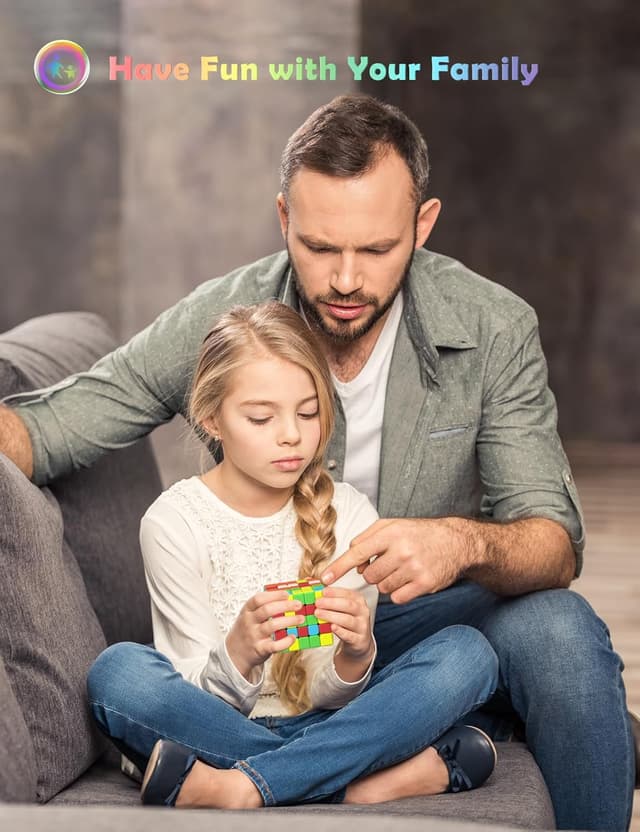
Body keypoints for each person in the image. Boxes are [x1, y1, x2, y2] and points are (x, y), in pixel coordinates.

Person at [0, 93, 635, 828]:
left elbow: (553, 545)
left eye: (375, 250)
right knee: (121, 677)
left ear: (422, 225)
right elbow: (57, 422)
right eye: (318, 246)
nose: (343, 279)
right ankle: (358, 769)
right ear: (283, 221)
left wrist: (459, 542)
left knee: (560, 633)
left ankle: (250, 781)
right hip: (271, 638)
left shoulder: (494, 326)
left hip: (408, 623)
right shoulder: (227, 318)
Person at [86, 301, 499, 808]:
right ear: (211, 418)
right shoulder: (175, 522)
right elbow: (188, 700)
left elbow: (331, 696)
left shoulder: (348, 514)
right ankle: (350, 785)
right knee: (118, 673)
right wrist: (240, 651)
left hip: (333, 723)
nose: (292, 435)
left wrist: (355, 654)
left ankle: (243, 787)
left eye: (308, 412)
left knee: (467, 654)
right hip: (220, 727)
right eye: (261, 417)